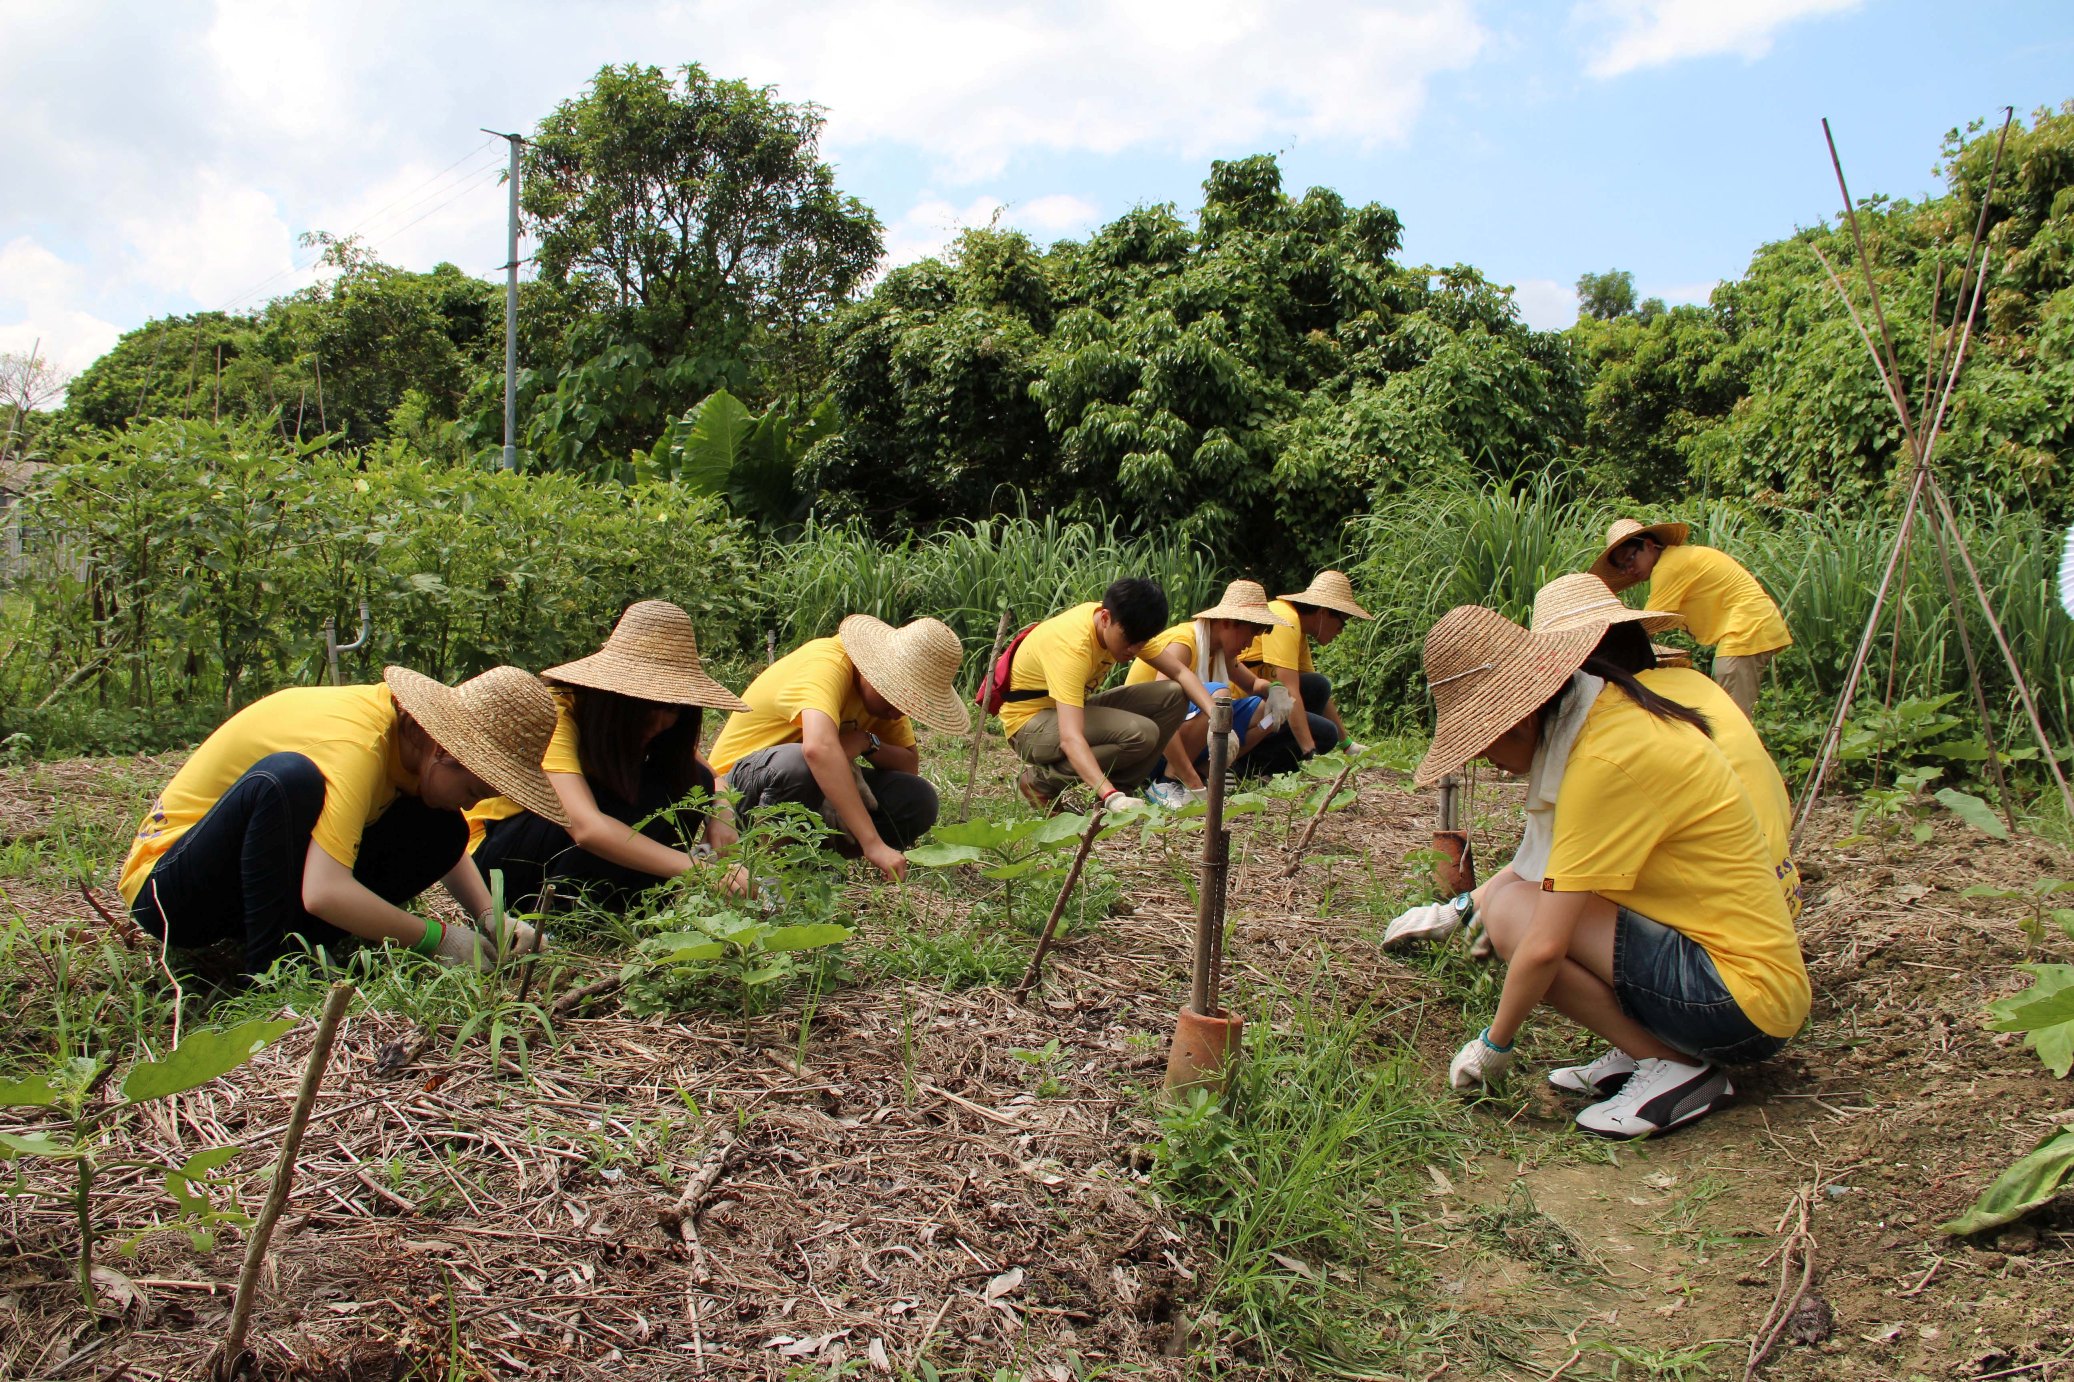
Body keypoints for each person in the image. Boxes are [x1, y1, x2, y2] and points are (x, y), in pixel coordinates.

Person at [1406, 605, 1809, 1138]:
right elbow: (1538, 870)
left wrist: (1494, 1044)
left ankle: (1676, 1068)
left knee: (1512, 917)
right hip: (1730, 976)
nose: (1489, 764)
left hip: (1738, 1000)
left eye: (1485, 747)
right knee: (1520, 900)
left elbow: (1545, 944)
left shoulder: (1604, 762)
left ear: (1522, 719)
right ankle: (1658, 1048)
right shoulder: (1611, 716)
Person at [120, 665, 564, 976]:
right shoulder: (357, 743)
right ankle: (275, 967)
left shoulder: (410, 747)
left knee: (440, 830)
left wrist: (490, 916)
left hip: (249, 886)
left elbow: (440, 842)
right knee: (288, 780)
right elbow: (323, 892)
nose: (471, 806)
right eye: (472, 792)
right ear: (446, 752)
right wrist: (439, 938)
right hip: (171, 891)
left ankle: (296, 943)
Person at [467, 601, 750, 913]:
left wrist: (721, 810)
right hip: (496, 862)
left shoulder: (649, 730)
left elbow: (706, 775)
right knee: (609, 799)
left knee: (690, 781)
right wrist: (700, 869)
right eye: (644, 710)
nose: (656, 724)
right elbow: (585, 827)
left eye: (670, 709)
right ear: (616, 699)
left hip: (559, 848)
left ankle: (617, 905)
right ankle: (560, 910)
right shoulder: (557, 713)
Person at [709, 615, 968, 882]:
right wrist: (872, 843)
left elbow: (908, 766)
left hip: (805, 789)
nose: (899, 710)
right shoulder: (827, 663)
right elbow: (818, 750)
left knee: (917, 797)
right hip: (737, 791)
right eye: (897, 696)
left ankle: (815, 860)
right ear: (877, 672)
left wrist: (865, 741)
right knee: (801, 763)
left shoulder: (885, 703)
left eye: (910, 701)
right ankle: (772, 872)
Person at [1002, 579, 1217, 814]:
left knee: (1173, 695)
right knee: (1141, 733)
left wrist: (1217, 718)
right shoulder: (1073, 648)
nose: (1134, 650)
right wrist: (1110, 796)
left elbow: (1179, 672)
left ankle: (1123, 789)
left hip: (1067, 709)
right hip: (1028, 725)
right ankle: (1038, 783)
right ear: (1105, 619)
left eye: (1141, 643)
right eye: (1129, 641)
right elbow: (1070, 738)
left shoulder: (1125, 622)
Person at [1590, 518, 1790, 720]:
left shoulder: (1668, 568)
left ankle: (1739, 751)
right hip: (1752, 624)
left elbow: (1645, 625)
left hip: (1747, 628)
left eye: (1630, 558)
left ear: (1649, 546)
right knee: (1729, 705)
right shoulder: (1676, 559)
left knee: (1734, 716)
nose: (1629, 569)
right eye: (1622, 567)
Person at [1122, 579, 1293, 806]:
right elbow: (1159, 712)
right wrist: (1195, 786)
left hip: (1179, 739)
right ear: (1227, 622)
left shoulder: (1221, 652)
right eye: (1250, 633)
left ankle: (1205, 772)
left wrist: (1275, 691)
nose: (1249, 644)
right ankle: (1166, 783)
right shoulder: (1183, 644)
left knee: (1266, 711)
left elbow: (1253, 685)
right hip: (1146, 746)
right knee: (1219, 698)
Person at [1237, 569, 1372, 778]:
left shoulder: (1298, 630)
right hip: (1241, 707)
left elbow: (1315, 693)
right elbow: (1291, 692)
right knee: (1326, 734)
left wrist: (1347, 744)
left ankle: (1270, 764)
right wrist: (1310, 752)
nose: (1341, 630)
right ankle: (1245, 764)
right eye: (1342, 622)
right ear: (1324, 612)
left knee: (1318, 686)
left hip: (1264, 704)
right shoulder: (1285, 620)